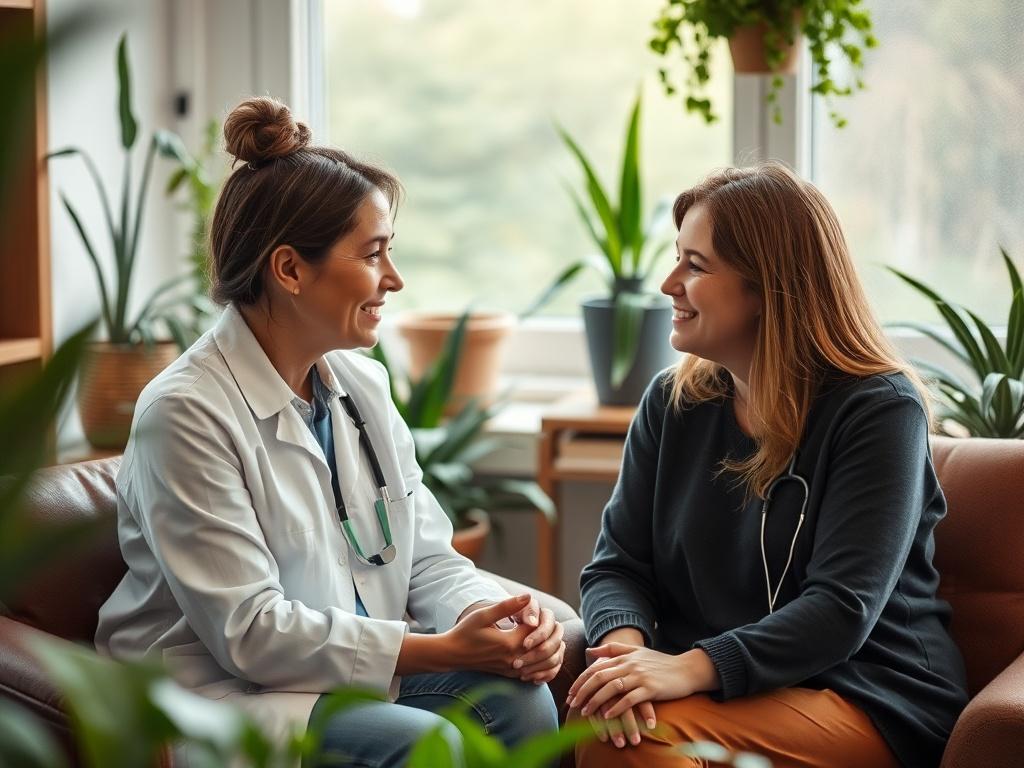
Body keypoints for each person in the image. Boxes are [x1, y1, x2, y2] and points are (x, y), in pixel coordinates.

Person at [95, 97, 562, 767]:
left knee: (516, 703)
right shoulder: (184, 412)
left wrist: (502, 619)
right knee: (424, 742)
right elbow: (249, 634)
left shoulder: (359, 387)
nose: (394, 281)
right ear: (289, 270)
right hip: (220, 693)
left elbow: (427, 558)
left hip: (335, 674)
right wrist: (440, 650)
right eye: (374, 256)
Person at [568, 162, 968, 768]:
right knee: (605, 720)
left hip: (861, 691)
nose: (668, 282)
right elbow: (618, 566)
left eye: (695, 265)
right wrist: (625, 661)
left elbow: (840, 610)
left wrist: (686, 669)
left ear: (768, 288)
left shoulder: (879, 411)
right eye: (676, 257)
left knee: (635, 734)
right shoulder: (673, 404)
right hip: (708, 688)